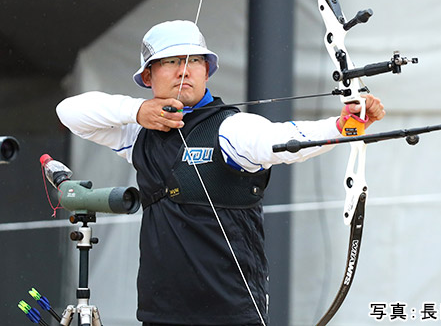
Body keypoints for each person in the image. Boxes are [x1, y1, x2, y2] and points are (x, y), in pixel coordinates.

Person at [56, 20, 385, 326]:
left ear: (207, 71)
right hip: (161, 314)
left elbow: (281, 139)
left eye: (194, 61)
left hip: (230, 315)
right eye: (170, 62)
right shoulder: (137, 136)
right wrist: (137, 111)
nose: (183, 70)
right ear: (148, 76)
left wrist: (342, 126)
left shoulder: (231, 128)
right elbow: (69, 112)